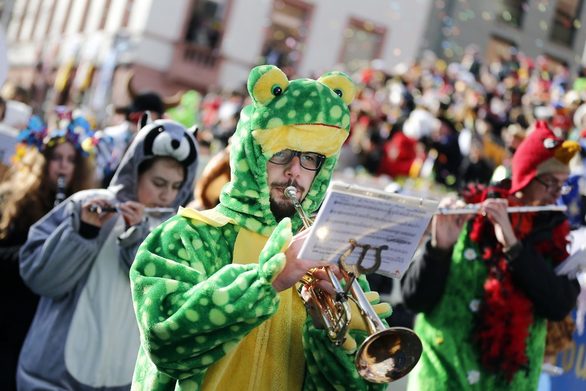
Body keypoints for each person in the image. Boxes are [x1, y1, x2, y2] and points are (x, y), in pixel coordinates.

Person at [129, 65, 391, 390]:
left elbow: (364, 387)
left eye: (311, 157)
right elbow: (167, 344)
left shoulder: (331, 260)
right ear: (252, 154)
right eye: (281, 154)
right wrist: (269, 281)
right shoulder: (186, 235)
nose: (295, 171)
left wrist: (332, 335)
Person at [17, 118, 199, 390]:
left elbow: (169, 304)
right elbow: (40, 278)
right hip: (54, 377)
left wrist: (137, 239)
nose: (167, 195)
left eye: (176, 186)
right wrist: (82, 233)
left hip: (124, 381)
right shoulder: (87, 205)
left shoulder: (178, 231)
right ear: (135, 171)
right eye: (159, 182)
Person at [401, 120, 581, 390]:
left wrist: (514, 248)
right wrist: (439, 250)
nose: (557, 195)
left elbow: (559, 305)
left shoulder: (552, 233)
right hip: (444, 376)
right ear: (526, 177)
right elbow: (414, 298)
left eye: (562, 185)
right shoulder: (470, 213)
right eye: (550, 183)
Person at [0, 115, 95, 390]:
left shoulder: (83, 205)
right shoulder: (13, 199)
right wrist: (37, 255)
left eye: (71, 159)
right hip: (12, 309)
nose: (63, 166)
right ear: (42, 162)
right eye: (56, 158)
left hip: (48, 319)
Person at [94, 90, 166, 187]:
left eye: (153, 123)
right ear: (133, 117)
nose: (145, 126)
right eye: (141, 120)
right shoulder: (105, 139)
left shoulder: (159, 146)